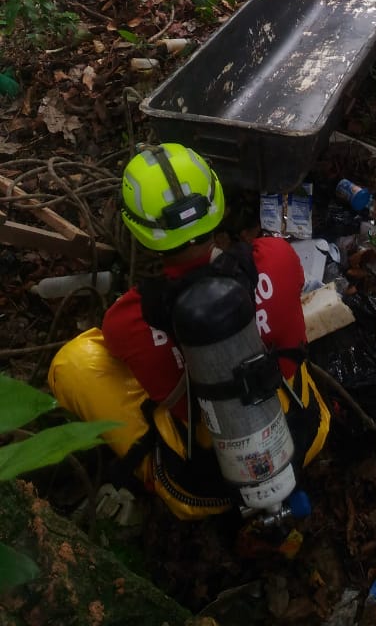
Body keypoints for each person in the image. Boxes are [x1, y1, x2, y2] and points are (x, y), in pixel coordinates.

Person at [48, 142, 330, 520]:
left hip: (201, 484)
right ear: (217, 203)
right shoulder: (275, 256)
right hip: (305, 434)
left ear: (137, 229)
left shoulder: (128, 318)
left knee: (73, 361)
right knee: (283, 330)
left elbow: (119, 350)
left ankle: (154, 472)